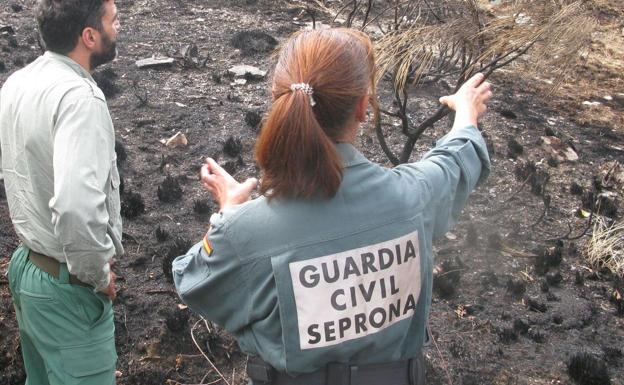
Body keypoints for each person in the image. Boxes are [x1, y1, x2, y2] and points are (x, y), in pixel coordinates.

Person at [173, 28, 491, 385]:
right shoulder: (414, 196)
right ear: (362, 107)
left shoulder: (246, 232)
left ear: (278, 99)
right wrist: (466, 112)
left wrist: (230, 212)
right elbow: (456, 161)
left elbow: (192, 280)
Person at [0, 1, 122, 384]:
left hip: (27, 268)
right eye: (113, 20)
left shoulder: (18, 81)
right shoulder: (79, 99)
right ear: (89, 36)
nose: (119, 27)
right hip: (67, 290)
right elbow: (74, 208)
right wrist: (97, 275)